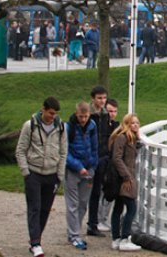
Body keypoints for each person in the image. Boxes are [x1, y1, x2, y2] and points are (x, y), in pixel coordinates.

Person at [15, 96, 68, 257]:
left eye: (55, 114)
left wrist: (60, 175)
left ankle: (36, 239)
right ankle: (35, 243)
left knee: (45, 209)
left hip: (52, 174)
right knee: (35, 208)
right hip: (34, 173)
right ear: (43, 109)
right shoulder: (30, 125)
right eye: (50, 113)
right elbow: (20, 150)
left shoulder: (61, 127)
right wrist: (26, 172)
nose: (53, 116)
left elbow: (63, 151)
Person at [64, 101, 98, 250]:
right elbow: (64, 152)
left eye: (85, 116)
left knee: (83, 203)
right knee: (72, 203)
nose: (83, 119)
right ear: (76, 114)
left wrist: (92, 166)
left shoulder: (92, 127)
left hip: (88, 169)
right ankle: (74, 235)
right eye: (80, 116)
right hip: (72, 170)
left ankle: (74, 230)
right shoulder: (68, 128)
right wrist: (78, 166)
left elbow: (95, 147)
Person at [109, 113, 142, 252]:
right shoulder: (123, 137)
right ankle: (124, 238)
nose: (135, 125)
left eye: (137, 123)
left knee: (118, 207)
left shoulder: (132, 139)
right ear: (126, 124)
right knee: (131, 208)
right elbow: (117, 158)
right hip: (124, 178)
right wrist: (127, 177)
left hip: (125, 176)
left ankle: (116, 238)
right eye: (132, 123)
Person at [87, 88, 116, 237]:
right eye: (99, 98)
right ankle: (87, 223)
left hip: (102, 157)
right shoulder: (89, 115)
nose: (102, 101)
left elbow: (105, 136)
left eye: (104, 98)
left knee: (98, 191)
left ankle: (93, 224)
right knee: (87, 193)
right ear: (93, 99)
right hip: (90, 158)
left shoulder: (105, 115)